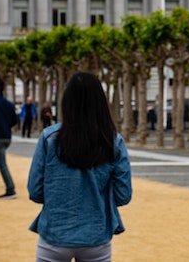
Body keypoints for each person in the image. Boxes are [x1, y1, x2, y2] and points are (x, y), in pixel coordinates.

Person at [27, 72, 132, 262]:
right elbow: (123, 195)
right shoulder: (113, 141)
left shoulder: (49, 138)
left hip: (55, 234)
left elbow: (35, 191)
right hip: (96, 236)